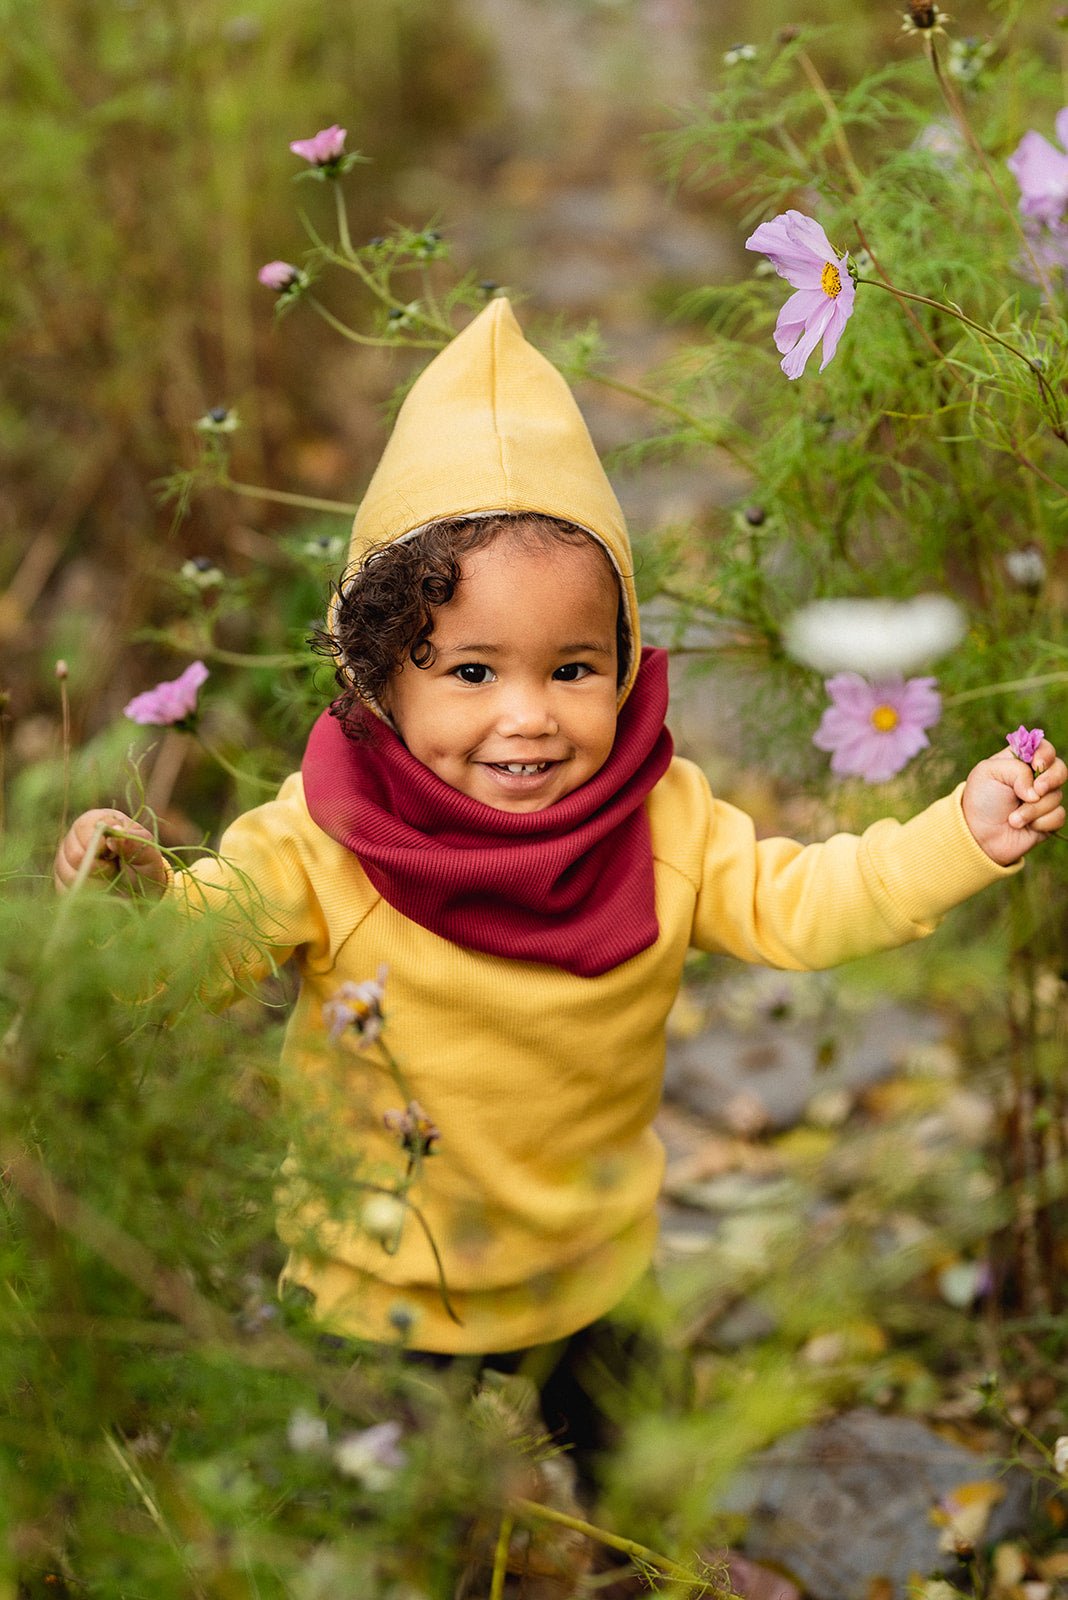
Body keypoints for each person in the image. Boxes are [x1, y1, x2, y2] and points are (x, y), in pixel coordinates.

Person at [54, 298, 1066, 1500]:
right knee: (382, 1515)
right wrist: (134, 897)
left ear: (626, 662)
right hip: (381, 1282)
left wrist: (959, 834)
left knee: (644, 1483)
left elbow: (807, 898)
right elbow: (201, 951)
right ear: (378, 679)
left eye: (572, 669)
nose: (527, 713)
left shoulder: (660, 819)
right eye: (473, 671)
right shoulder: (329, 837)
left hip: (590, 1268)